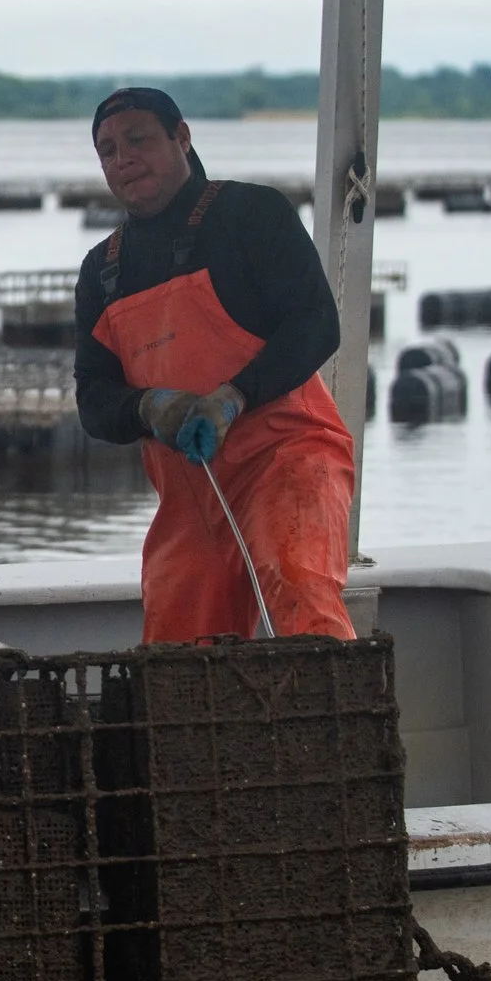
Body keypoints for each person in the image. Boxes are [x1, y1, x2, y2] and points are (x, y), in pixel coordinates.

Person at [73, 87, 356, 642]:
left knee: (296, 580)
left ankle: (336, 720)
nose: (123, 158)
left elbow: (316, 322)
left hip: (287, 458)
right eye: (107, 150)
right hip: (190, 492)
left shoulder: (252, 213)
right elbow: (93, 399)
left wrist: (234, 396)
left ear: (182, 137)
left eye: (138, 139)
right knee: (177, 646)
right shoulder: (100, 270)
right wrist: (149, 407)